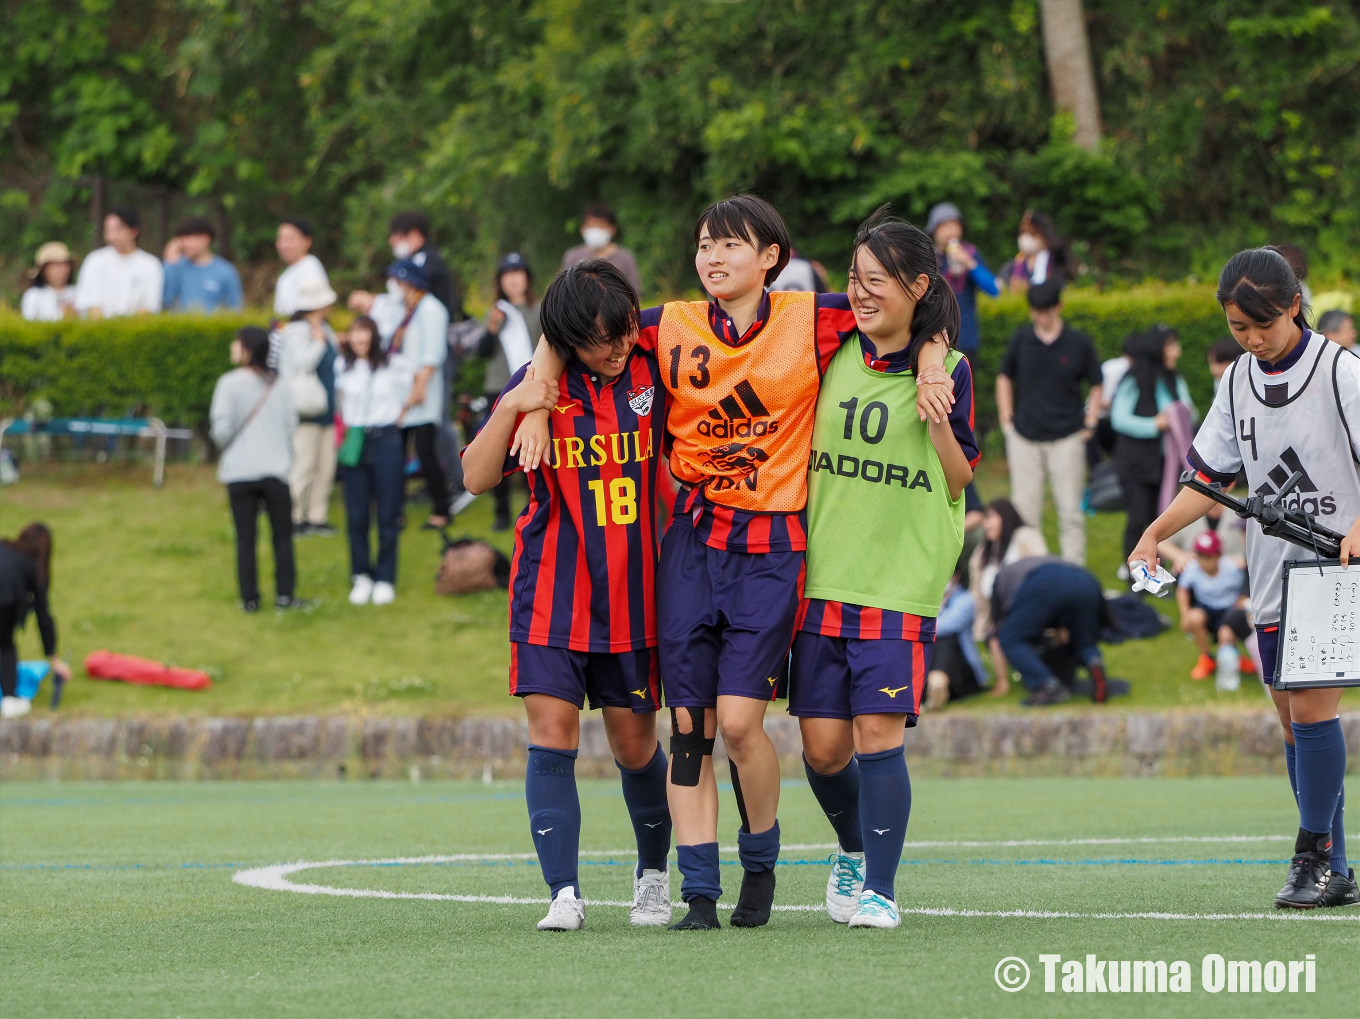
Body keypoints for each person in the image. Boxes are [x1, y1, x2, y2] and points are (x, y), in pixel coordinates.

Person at [514, 195, 954, 931]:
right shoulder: (669, 324)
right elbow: (573, 322)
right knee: (689, 724)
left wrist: (935, 357)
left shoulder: (812, 317)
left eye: (730, 245)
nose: (712, 257)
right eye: (703, 246)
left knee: (745, 724)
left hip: (771, 548)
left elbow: (919, 302)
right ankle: (697, 893)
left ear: (771, 257)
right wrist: (532, 398)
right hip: (690, 543)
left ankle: (762, 867)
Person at [1129, 246, 1360, 909]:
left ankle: (1310, 853)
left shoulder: (1342, 372)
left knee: (1313, 711)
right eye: (1239, 328)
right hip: (1270, 574)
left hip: (1333, 573)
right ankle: (1337, 868)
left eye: (1264, 324)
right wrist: (1154, 532)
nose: (1254, 339)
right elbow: (1208, 478)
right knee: (1291, 723)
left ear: (1295, 304)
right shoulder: (1235, 382)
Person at [460, 260, 673, 931]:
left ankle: (653, 875)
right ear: (569, 340)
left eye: (622, 333)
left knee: (635, 745)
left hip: (638, 591)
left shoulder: (656, 354)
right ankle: (563, 891)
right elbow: (474, 474)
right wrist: (523, 402)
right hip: (553, 588)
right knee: (551, 736)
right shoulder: (542, 390)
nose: (615, 349)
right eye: (597, 341)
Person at [791, 212, 978, 929]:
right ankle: (849, 846)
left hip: (898, 582)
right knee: (822, 747)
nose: (860, 294)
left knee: (879, 735)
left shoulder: (953, 369)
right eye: (853, 279)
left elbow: (958, 478)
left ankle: (882, 889)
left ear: (919, 285)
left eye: (877, 281)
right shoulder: (829, 348)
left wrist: (935, 404)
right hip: (820, 579)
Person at [997, 278, 1103, 564]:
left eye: (1046, 310)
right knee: (1026, 514)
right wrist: (1006, 419)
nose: (1041, 317)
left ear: (1059, 306)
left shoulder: (1077, 342)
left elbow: (1097, 383)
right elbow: (1004, 376)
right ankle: (1031, 571)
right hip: (1024, 437)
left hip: (1066, 437)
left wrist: (1090, 421)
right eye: (1035, 311)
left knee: (1070, 513)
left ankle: (1074, 577)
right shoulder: (1021, 339)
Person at [209, 326, 300, 613]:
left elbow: (221, 431)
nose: (232, 348)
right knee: (282, 537)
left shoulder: (228, 384)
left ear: (247, 349)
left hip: (239, 472)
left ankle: (250, 599)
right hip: (275, 470)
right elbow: (291, 425)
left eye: (236, 344)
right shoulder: (281, 384)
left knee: (245, 538)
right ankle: (285, 596)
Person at [334, 316, 414, 607]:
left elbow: (411, 392)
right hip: (356, 440)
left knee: (388, 512)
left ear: (373, 335)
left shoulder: (394, 364)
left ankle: (384, 577)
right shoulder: (342, 366)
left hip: (387, 439)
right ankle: (361, 575)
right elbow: (340, 402)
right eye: (354, 333)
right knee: (356, 514)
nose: (359, 339)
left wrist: (400, 416)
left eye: (364, 333)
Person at [1110, 326, 1197, 560]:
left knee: (1160, 519)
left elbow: (1190, 412)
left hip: (1164, 464)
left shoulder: (1173, 377)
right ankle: (1135, 575)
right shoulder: (1135, 377)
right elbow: (1119, 418)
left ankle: (1158, 572)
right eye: (1172, 346)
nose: (1177, 352)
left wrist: (1178, 416)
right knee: (1138, 518)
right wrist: (1154, 424)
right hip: (1136, 463)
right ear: (1158, 348)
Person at [992, 556, 1112, 706]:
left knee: (1010, 638)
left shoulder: (999, 583)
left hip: (1047, 583)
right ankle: (1094, 661)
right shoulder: (1027, 566)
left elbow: (998, 634)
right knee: (1084, 641)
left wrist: (1002, 681)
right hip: (1086, 580)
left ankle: (1047, 686)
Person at [386, 258, 452, 530]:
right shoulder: (405, 309)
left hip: (422, 394)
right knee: (396, 453)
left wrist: (419, 387)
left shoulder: (432, 309)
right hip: (400, 393)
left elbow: (432, 354)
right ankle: (395, 511)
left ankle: (441, 509)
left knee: (425, 451)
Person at [478, 253, 540, 531]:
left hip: (532, 387)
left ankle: (536, 504)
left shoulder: (540, 308)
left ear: (527, 277)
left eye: (518, 273)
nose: (513, 279)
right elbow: (482, 352)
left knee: (533, 447)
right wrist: (491, 328)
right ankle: (501, 512)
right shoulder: (496, 311)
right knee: (498, 449)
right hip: (499, 389)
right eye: (507, 274)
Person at [278, 277, 341, 538]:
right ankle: (293, 517)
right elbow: (302, 365)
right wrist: (317, 343)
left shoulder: (325, 328)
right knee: (303, 465)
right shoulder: (295, 331)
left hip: (328, 409)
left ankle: (317, 516)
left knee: (325, 467)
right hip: (306, 410)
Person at [968, 498, 1049, 697]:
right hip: (1001, 613)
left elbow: (1042, 568)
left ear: (1006, 516)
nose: (985, 524)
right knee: (995, 636)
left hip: (1031, 605)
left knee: (1002, 636)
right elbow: (977, 592)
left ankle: (1037, 682)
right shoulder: (983, 553)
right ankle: (1003, 683)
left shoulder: (1026, 537)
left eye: (990, 517)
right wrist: (981, 625)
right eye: (984, 519)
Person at [1, 524, 73, 720]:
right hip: (5, 601)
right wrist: (54, 658)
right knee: (5, 646)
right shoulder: (36, 566)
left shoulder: (3, 546)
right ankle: (9, 700)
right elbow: (43, 614)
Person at [1175, 530, 1253, 687]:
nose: (1203, 562)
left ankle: (1232, 657)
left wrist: (1240, 603)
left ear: (1218, 555)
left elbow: (1244, 588)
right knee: (1194, 618)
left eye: (1208, 557)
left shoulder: (1231, 568)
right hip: (1207, 609)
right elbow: (1182, 590)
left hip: (1228, 609)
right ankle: (1207, 658)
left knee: (1226, 634)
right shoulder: (1192, 569)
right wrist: (1185, 614)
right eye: (1200, 556)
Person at [348, 210, 460, 318]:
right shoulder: (420, 259)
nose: (391, 241)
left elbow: (404, 299)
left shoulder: (424, 261)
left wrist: (372, 301)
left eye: (396, 235)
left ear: (414, 235)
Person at [925, 202, 999, 356]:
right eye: (944, 226)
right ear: (934, 230)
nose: (950, 231)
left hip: (966, 340)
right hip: (934, 339)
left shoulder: (970, 253)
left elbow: (993, 289)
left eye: (954, 225)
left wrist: (969, 263)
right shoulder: (929, 257)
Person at [74, 206, 162, 317]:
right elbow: (90, 306)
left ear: (134, 231)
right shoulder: (94, 261)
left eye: (118, 229)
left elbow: (150, 308)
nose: (112, 236)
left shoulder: (151, 265)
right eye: (108, 230)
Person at [925, 569, 988, 711]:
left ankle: (937, 683)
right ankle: (935, 687)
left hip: (961, 669)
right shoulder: (925, 600)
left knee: (944, 641)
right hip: (928, 664)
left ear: (957, 576)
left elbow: (948, 625)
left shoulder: (965, 600)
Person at [161, 216, 243, 312]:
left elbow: (235, 308)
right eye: (181, 240)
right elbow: (165, 302)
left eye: (189, 239)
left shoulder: (226, 271)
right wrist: (170, 265)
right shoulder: (174, 268)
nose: (184, 245)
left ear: (205, 239)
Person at [559, 203, 643, 296]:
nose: (595, 231)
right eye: (591, 226)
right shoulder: (573, 257)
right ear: (582, 228)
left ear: (612, 229)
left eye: (600, 226)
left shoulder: (625, 258)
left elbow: (635, 292)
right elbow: (564, 291)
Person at [273, 217, 330, 318]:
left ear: (307, 241)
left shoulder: (310, 267)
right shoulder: (286, 274)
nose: (283, 245)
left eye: (290, 239)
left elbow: (321, 309)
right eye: (281, 239)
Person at [1005, 209, 1068, 293]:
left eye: (1032, 234)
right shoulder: (1017, 263)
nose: (1027, 237)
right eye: (1024, 232)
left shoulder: (1053, 261)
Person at [21, 242, 78, 321]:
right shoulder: (33, 296)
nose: (62, 270)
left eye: (65, 264)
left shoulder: (77, 292)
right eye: (56, 265)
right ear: (44, 270)